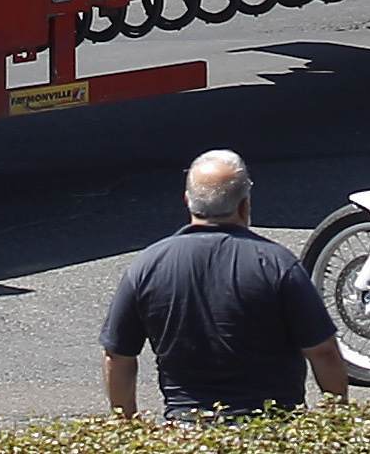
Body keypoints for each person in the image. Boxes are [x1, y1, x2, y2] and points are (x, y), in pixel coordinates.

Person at [101, 149, 348, 421]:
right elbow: (323, 352)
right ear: (244, 205)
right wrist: (336, 423)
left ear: (187, 201)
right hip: (271, 431)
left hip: (187, 431)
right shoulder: (277, 264)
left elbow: (118, 355)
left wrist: (125, 427)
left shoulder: (147, 266)